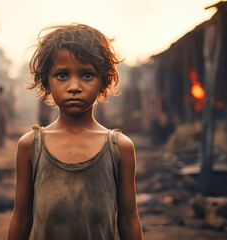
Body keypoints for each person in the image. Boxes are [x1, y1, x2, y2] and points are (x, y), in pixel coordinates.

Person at [8, 24, 143, 240]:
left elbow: (129, 220)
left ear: (103, 81)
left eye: (87, 75)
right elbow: (21, 218)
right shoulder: (31, 146)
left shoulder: (119, 148)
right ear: (47, 82)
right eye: (62, 75)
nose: (74, 86)